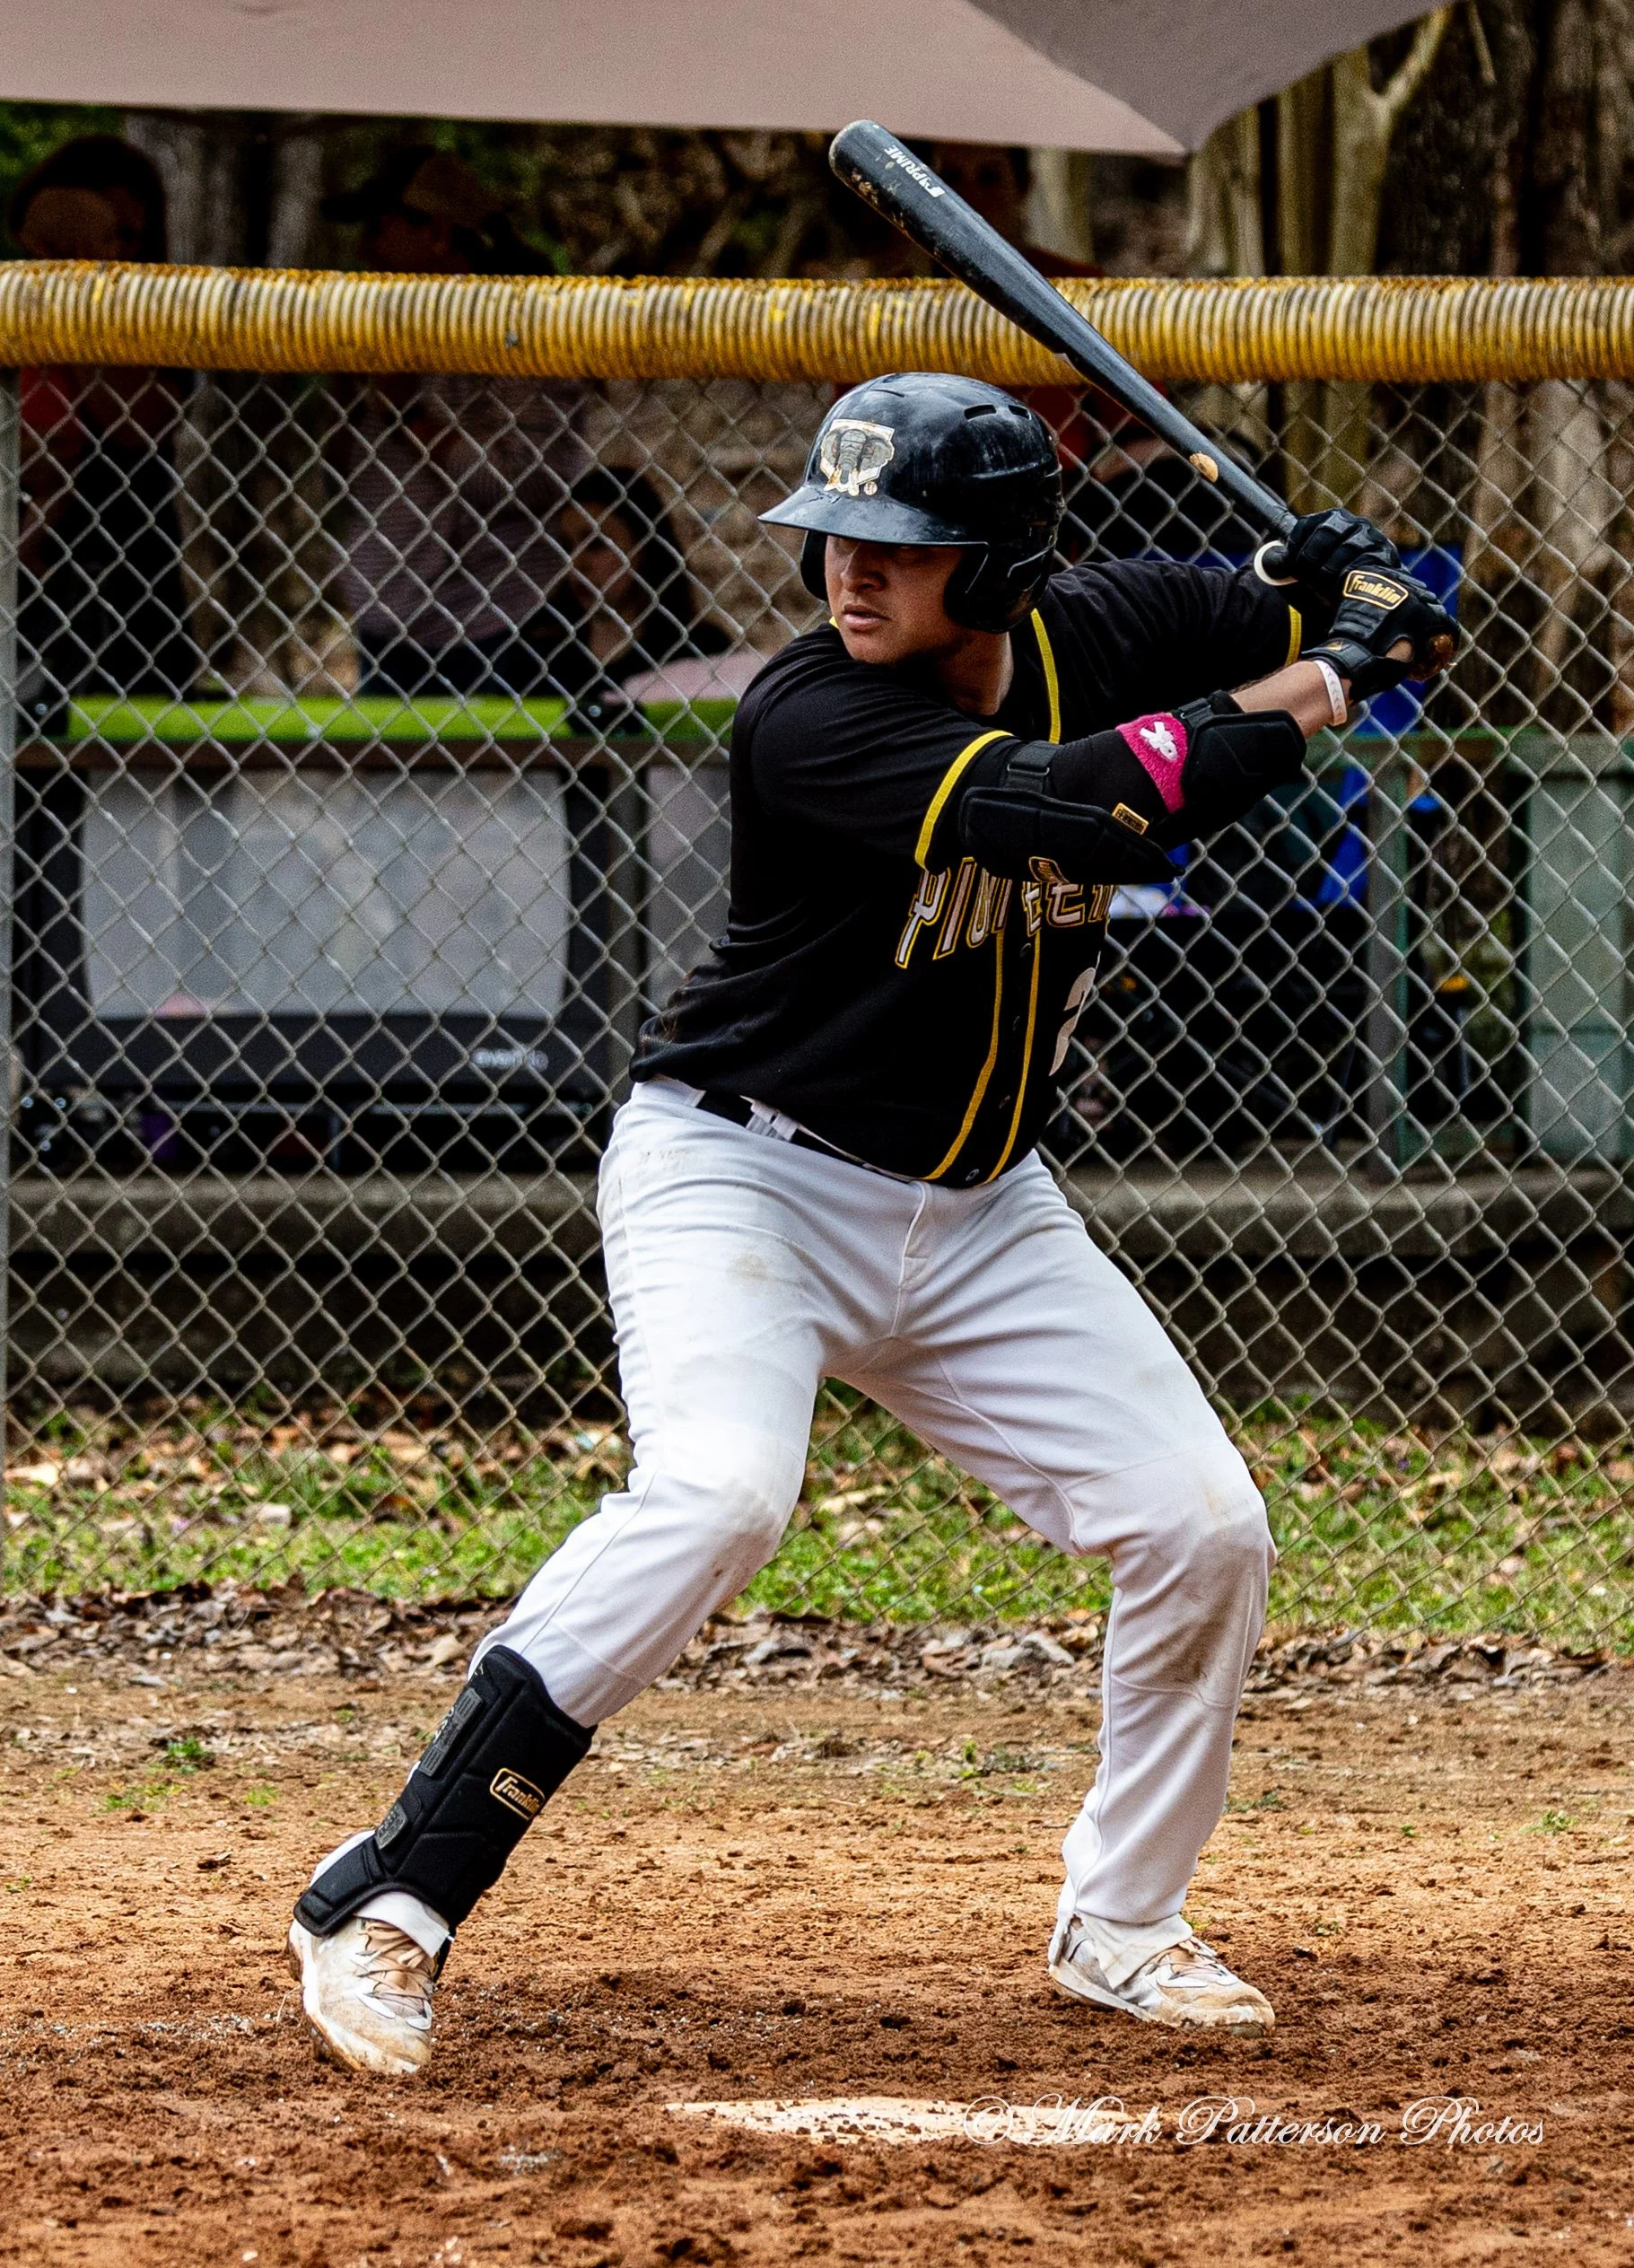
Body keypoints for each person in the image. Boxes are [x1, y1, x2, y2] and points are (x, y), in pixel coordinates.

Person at [284, 376, 1455, 2075]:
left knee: (1202, 1524)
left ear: (1002, 565)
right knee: (721, 1494)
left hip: (980, 1214)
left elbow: (1283, 596)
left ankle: (1122, 1919)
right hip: (744, 1173)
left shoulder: (1095, 619)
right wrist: (1340, 666)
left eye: (901, 547)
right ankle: (390, 1892)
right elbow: (1093, 809)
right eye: (836, 537)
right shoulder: (810, 715)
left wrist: (1346, 580)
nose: (850, 572)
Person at [323, 147, 589, 700]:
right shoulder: (375, 326)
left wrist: (409, 413)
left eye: (380, 228)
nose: (365, 250)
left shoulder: (524, 333)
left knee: (504, 786)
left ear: (439, 235)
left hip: (495, 620)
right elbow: (342, 477)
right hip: (389, 624)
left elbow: (528, 481)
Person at [10, 136, 200, 728]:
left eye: (129, 238)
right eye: (108, 230)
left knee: (139, 756)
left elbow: (139, 426)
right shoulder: (10, 308)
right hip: (25, 588)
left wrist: (85, 311)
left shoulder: (159, 318)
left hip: (129, 582)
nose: (120, 251)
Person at [495, 469, 734, 726]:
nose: (577, 563)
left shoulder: (699, 649)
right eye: (566, 547)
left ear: (644, 547)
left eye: (597, 543)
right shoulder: (534, 650)